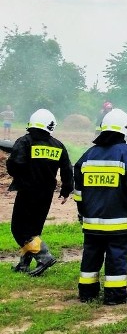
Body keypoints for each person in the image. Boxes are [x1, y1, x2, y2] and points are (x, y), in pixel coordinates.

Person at [74, 108, 127, 304]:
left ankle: (87, 292)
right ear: (125, 130)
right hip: (118, 222)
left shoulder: (88, 155)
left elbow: (79, 190)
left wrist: (82, 211)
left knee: (91, 255)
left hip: (91, 222)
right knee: (116, 256)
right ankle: (114, 295)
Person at [7, 109, 73, 276]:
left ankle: (45, 257)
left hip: (27, 192)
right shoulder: (58, 145)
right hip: (46, 194)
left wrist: (21, 176)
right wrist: (66, 190)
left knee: (19, 229)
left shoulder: (25, 141)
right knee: (34, 229)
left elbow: (14, 164)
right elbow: (67, 169)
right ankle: (23, 264)